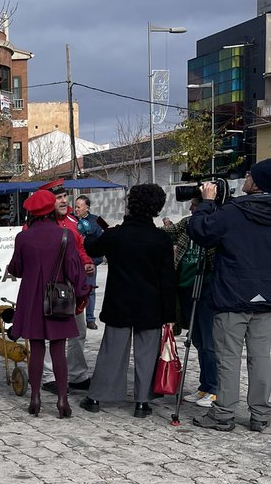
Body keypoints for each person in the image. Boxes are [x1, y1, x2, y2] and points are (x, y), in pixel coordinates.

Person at [187, 160, 271, 433]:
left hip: (232, 296)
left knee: (228, 357)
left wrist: (208, 203)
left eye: (249, 175)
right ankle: (260, 414)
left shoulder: (234, 212)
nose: (245, 178)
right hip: (267, 298)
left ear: (256, 182)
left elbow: (201, 232)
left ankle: (223, 413)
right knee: (261, 358)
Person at [80, 184, 176, 419]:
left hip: (119, 302)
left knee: (112, 352)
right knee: (146, 354)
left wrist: (100, 231)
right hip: (150, 304)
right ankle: (142, 402)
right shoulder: (160, 239)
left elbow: (90, 245)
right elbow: (167, 280)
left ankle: (96, 397)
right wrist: (170, 315)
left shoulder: (116, 236)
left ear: (132, 205)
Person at [6, 189, 88, 417]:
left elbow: (17, 269)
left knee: (37, 349)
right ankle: (62, 401)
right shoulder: (65, 236)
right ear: (52, 208)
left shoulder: (23, 237)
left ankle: (35, 398)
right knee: (59, 350)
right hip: (57, 299)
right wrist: (83, 291)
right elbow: (74, 270)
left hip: (31, 299)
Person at [37, 181, 94, 393]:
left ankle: (77, 374)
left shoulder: (72, 221)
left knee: (79, 331)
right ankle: (50, 376)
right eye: (58, 197)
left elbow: (79, 247)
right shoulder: (36, 224)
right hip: (50, 285)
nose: (63, 201)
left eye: (64, 197)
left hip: (73, 284)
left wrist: (86, 261)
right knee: (51, 332)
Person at [163, 198, 217, 408]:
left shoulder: (214, 225)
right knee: (197, 340)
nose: (190, 209)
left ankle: (214, 388)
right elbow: (169, 233)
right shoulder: (187, 223)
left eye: (194, 206)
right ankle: (204, 385)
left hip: (205, 290)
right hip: (185, 289)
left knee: (209, 342)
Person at [73, 196, 104, 329]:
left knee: (90, 291)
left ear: (87, 208)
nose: (76, 209)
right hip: (74, 263)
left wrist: (95, 260)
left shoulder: (98, 220)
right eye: (75, 206)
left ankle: (90, 319)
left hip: (90, 263)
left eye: (79, 207)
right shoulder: (70, 219)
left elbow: (106, 238)